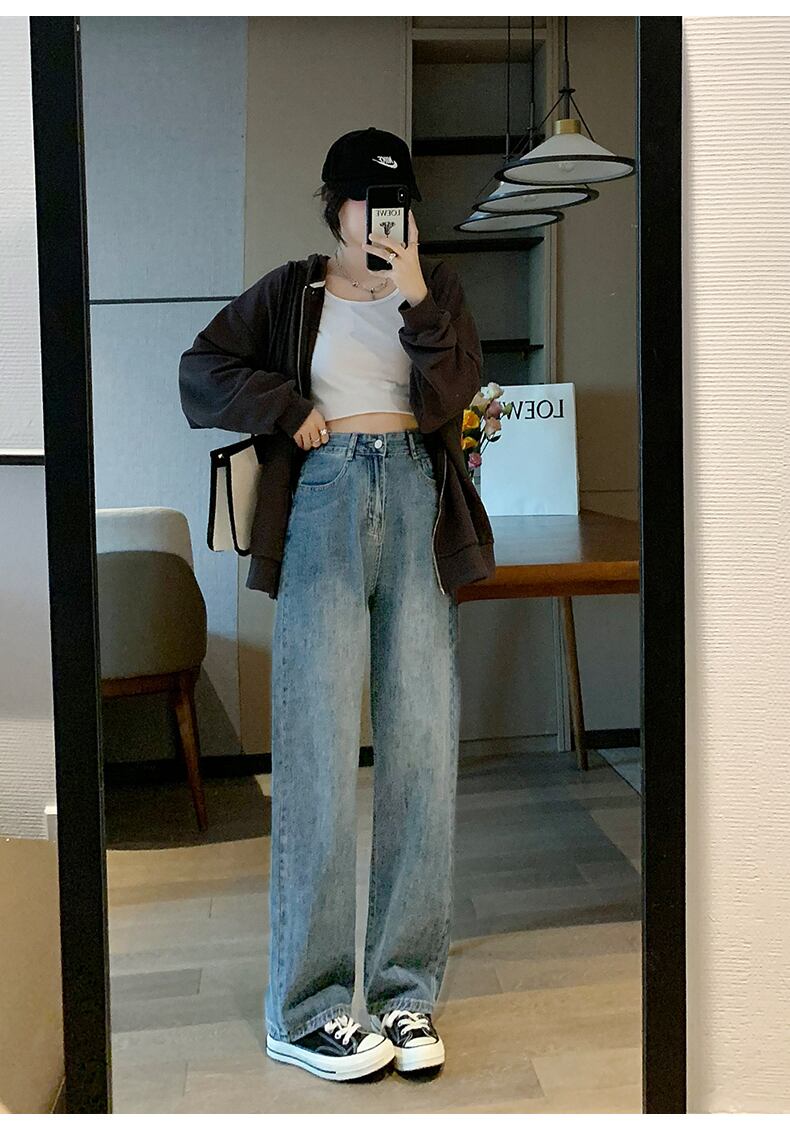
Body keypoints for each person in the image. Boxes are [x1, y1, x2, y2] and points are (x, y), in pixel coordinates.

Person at [179, 127, 495, 1083]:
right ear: (335, 207)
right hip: (323, 499)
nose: (381, 219)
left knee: (421, 749)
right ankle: (308, 1007)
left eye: (396, 203)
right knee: (317, 750)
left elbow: (455, 393)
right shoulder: (291, 291)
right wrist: (287, 407)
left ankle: (404, 991)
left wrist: (417, 294)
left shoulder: (436, 291)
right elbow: (202, 368)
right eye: (365, 201)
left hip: (415, 499)